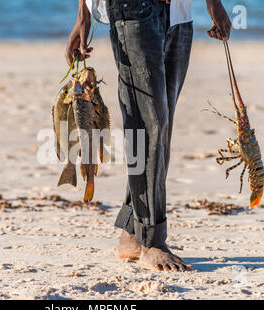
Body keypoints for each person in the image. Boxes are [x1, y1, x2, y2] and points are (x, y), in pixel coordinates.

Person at [65, 0, 231, 272]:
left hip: (178, 15)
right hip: (132, 11)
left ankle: (132, 231)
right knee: (148, 125)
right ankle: (153, 241)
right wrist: (83, 13)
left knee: (160, 127)